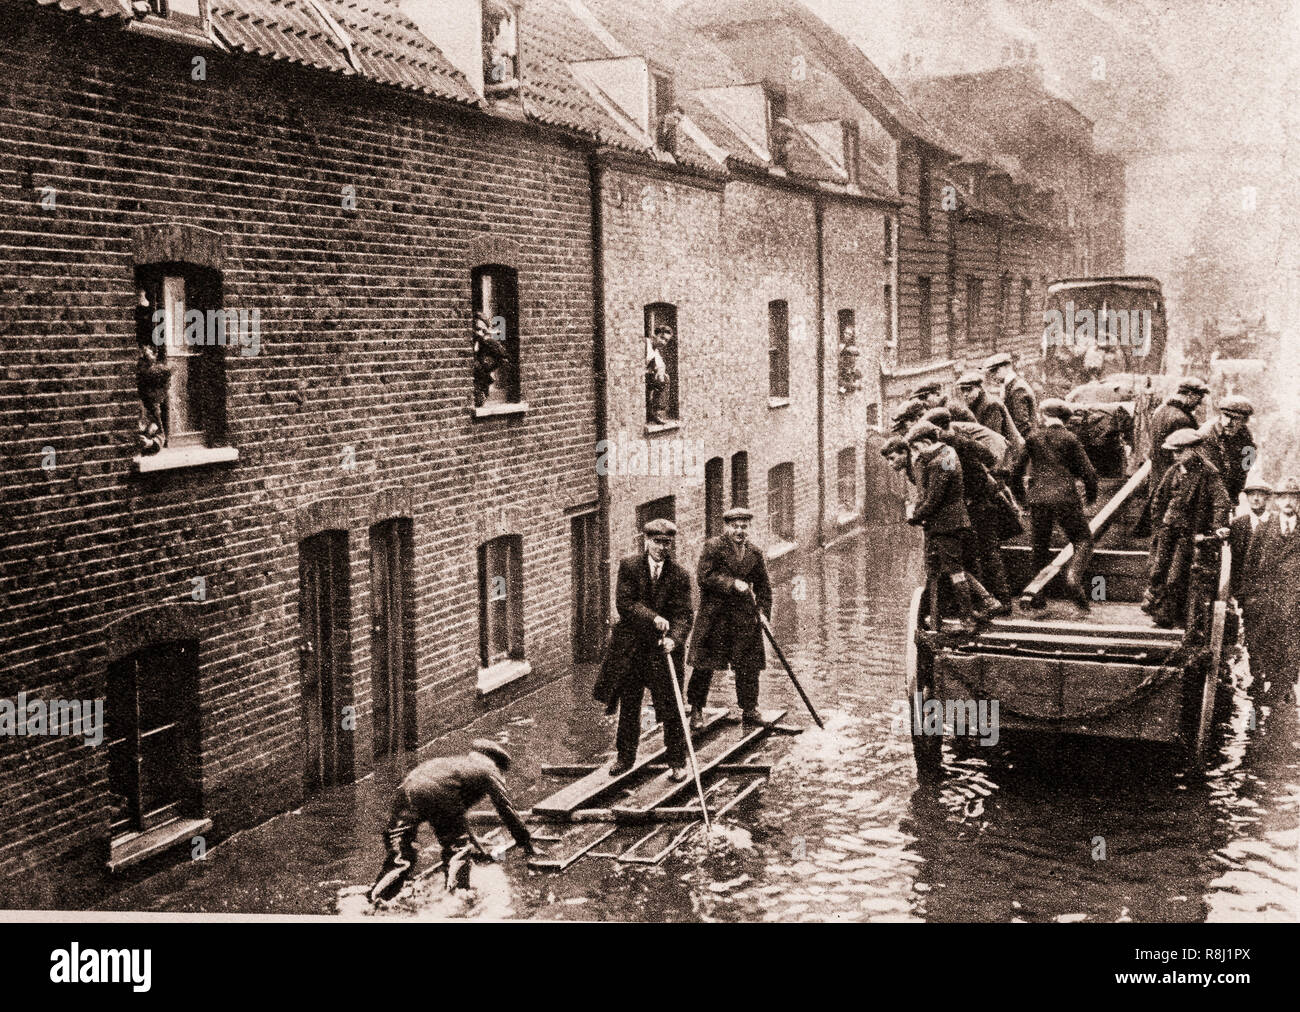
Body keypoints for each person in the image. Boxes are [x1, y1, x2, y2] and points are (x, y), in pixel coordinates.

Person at [368, 740, 536, 904]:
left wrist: (475, 842)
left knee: (401, 853)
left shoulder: (455, 765)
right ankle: (457, 897)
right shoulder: (488, 770)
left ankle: (376, 898)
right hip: (439, 794)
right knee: (457, 849)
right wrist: (526, 843)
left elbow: (457, 814)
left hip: (409, 785)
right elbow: (506, 808)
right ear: (496, 762)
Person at [595, 518, 694, 779]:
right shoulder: (629, 567)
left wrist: (675, 638)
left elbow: (685, 615)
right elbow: (625, 603)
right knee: (630, 705)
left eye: (667, 543)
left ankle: (677, 762)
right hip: (633, 649)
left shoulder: (680, 575)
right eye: (658, 542)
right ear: (646, 541)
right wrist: (653, 618)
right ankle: (625, 758)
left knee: (672, 706)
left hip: (663, 652)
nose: (662, 548)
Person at [1008, 398, 1098, 611]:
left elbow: (1015, 473)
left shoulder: (1033, 438)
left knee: (1039, 548)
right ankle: (1073, 578)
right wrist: (1091, 497)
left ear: (1044, 416)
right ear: (1064, 419)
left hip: (1038, 500)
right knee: (1083, 540)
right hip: (1065, 498)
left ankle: (1038, 597)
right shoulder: (1070, 438)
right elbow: (1089, 472)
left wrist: (1023, 500)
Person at [686, 507, 773, 727]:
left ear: (748, 528)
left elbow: (763, 586)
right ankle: (696, 709)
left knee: (748, 665)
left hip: (744, 617)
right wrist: (732, 583)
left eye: (744, 527)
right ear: (727, 527)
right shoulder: (713, 547)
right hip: (715, 616)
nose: (739, 531)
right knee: (704, 665)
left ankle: (750, 709)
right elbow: (704, 577)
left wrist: (762, 612)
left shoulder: (754, 552)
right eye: (735, 526)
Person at [905, 421, 990, 634]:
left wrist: (914, 516)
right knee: (955, 568)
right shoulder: (948, 452)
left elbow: (934, 499)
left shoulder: (940, 462)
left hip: (946, 524)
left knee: (955, 572)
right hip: (954, 521)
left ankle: (968, 620)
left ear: (925, 442)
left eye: (916, 447)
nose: (915, 452)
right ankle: (987, 602)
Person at [924, 407, 1013, 610]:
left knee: (980, 552)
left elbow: (945, 479)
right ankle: (1002, 600)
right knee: (987, 551)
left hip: (977, 504)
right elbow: (990, 457)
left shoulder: (948, 449)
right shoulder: (963, 440)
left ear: (940, 429)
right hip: (982, 501)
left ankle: (991, 602)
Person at [1142, 428, 1231, 629]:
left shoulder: (1208, 472)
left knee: (1176, 576)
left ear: (1193, 450)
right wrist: (1158, 524)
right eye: (1173, 452)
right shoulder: (1173, 471)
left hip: (1188, 533)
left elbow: (1221, 501)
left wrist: (1217, 527)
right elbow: (1159, 499)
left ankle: (1166, 617)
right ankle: (1156, 608)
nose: (1175, 456)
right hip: (1167, 530)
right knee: (1158, 570)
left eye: (1180, 451)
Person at [1240, 477, 1300, 695]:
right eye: (1283, 497)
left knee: (1291, 641)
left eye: (1293, 497)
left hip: (1294, 599)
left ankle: (1284, 686)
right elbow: (1249, 565)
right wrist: (1249, 598)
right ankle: (1259, 679)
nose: (1288, 501)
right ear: (1276, 501)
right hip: (1265, 599)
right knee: (1260, 639)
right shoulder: (1265, 529)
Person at [1147, 376, 1208, 499]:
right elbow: (1186, 457)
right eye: (1199, 398)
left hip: (1157, 477)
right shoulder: (1182, 419)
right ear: (1190, 395)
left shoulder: (1161, 411)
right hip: (1174, 483)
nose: (1199, 403)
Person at [1196, 394, 1256, 506]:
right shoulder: (1206, 434)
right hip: (1206, 494)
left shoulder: (1245, 435)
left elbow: (1245, 466)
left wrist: (1235, 495)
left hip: (1228, 493)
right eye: (1225, 416)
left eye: (1235, 418)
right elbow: (1209, 473)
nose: (1228, 422)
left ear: (1244, 421)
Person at [956, 370, 1022, 462]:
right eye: (963, 391)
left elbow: (993, 435)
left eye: (969, 389)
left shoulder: (990, 404)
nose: (965, 394)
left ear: (979, 388)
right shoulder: (975, 404)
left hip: (1009, 454)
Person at [1230, 473, 1271, 601]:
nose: (1256, 498)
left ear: (1267, 497)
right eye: (1252, 494)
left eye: (1260, 494)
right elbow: (1235, 561)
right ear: (1247, 497)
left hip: (1267, 587)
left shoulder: (1274, 522)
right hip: (1243, 589)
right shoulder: (1237, 524)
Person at [983, 352, 1037, 437]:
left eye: (995, 371)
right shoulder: (1010, 386)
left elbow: (1022, 424)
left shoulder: (1017, 388)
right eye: (991, 372)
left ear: (1007, 367)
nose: (992, 376)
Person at [645, 326, 672, 424]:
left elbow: (661, 365)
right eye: (661, 338)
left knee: (665, 378)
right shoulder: (645, 343)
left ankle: (656, 412)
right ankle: (652, 413)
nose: (663, 342)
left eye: (666, 341)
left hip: (645, 378)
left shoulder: (655, 350)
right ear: (654, 335)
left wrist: (660, 372)